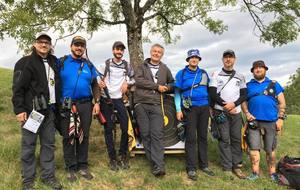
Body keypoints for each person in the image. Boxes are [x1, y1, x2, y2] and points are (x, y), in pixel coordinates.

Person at [12, 33, 62, 190]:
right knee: (29, 145)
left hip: (50, 112)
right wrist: (19, 109)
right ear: (35, 44)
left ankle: (48, 176)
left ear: (51, 46)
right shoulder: (24, 62)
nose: (44, 44)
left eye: (47, 42)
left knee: (48, 145)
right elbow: (18, 89)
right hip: (32, 112)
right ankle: (28, 180)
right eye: (41, 42)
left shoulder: (55, 62)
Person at [59, 36, 100, 182]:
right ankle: (70, 167)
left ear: (85, 48)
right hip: (66, 104)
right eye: (76, 45)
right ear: (71, 46)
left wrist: (97, 102)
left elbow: (95, 85)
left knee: (84, 135)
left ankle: (82, 165)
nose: (79, 48)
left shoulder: (89, 65)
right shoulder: (61, 62)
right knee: (68, 136)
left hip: (85, 104)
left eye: (82, 45)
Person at [241, 60, 286, 182]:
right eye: (255, 68)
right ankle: (255, 173)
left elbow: (282, 103)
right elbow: (243, 101)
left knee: (270, 150)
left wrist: (280, 119)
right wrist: (247, 113)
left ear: (265, 69)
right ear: (253, 71)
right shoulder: (248, 86)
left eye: (260, 68)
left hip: (271, 121)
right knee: (254, 149)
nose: (258, 70)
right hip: (253, 121)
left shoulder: (274, 84)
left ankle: (272, 173)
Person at [134, 43, 174, 177]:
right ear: (150, 52)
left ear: (162, 55)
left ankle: (159, 166)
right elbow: (138, 81)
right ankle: (155, 163)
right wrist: (157, 86)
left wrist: (166, 88)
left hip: (157, 104)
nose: (156, 54)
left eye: (159, 52)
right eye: (154, 51)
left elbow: (172, 84)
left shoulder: (165, 68)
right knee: (145, 134)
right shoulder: (141, 66)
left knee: (157, 134)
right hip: (141, 104)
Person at [174, 49, 215, 181]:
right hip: (189, 109)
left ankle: (204, 165)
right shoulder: (181, 73)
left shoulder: (204, 73)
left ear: (199, 59)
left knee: (203, 137)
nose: (194, 59)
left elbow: (209, 90)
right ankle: (191, 168)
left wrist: (210, 107)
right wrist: (178, 110)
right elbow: (177, 93)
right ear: (188, 60)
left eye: (196, 57)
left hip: (204, 108)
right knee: (191, 137)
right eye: (192, 57)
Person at [209, 49, 247, 179]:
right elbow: (212, 94)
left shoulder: (240, 76)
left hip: (236, 112)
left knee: (236, 139)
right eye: (226, 57)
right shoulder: (215, 75)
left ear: (234, 59)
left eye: (230, 57)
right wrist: (226, 105)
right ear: (222, 60)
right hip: (221, 111)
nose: (228, 59)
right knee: (224, 139)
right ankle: (227, 167)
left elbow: (244, 95)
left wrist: (234, 104)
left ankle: (236, 166)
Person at [97, 41, 134, 171]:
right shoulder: (105, 64)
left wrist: (127, 84)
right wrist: (99, 83)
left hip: (120, 100)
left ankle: (122, 155)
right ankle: (112, 158)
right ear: (113, 50)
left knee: (125, 127)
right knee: (109, 128)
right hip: (106, 99)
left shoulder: (127, 65)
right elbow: (96, 77)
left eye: (121, 50)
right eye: (117, 49)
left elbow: (134, 78)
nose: (119, 52)